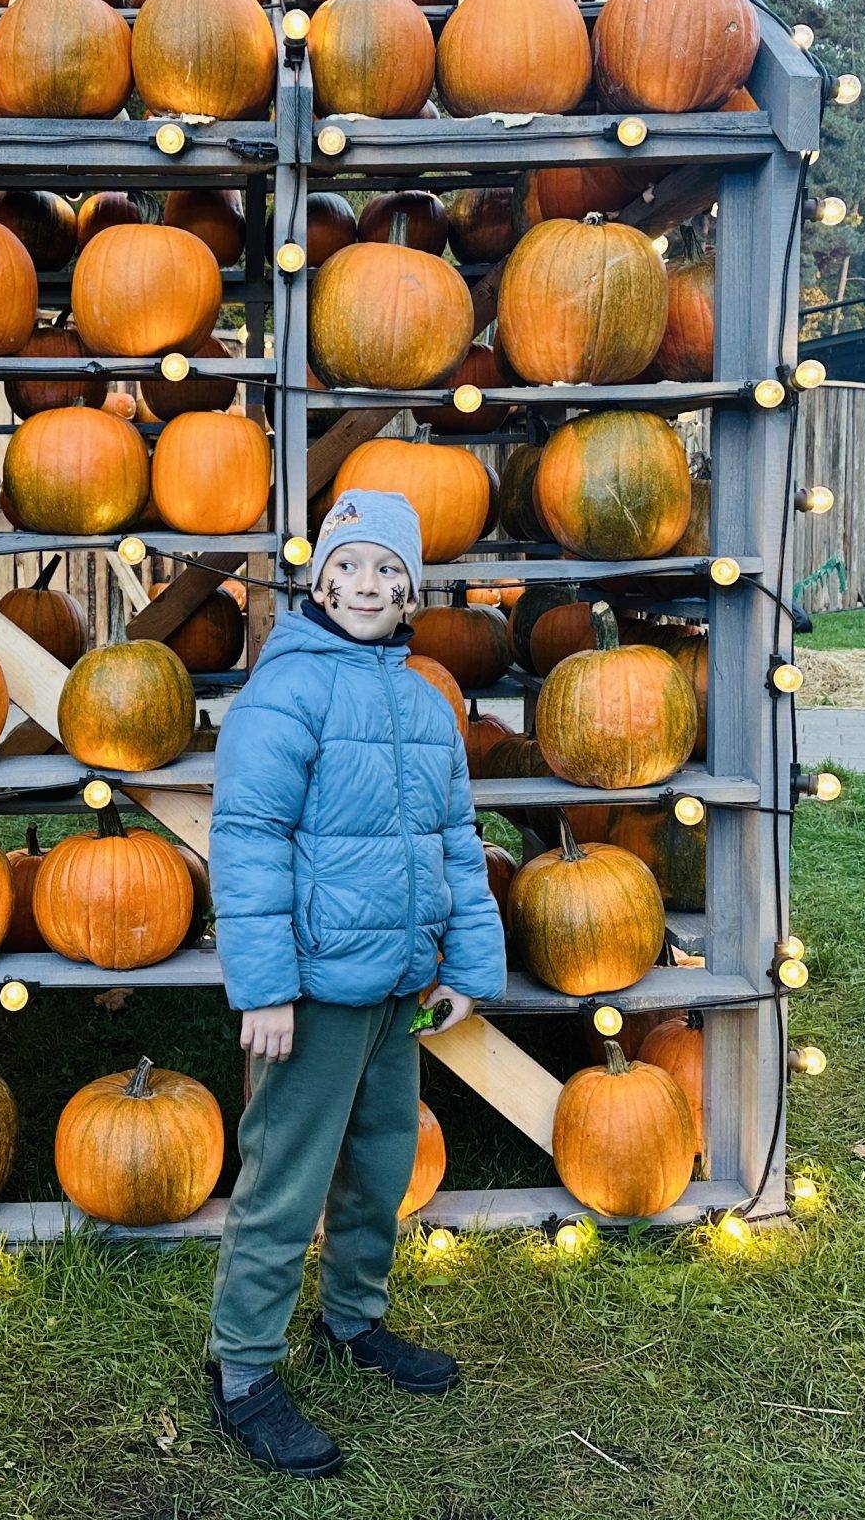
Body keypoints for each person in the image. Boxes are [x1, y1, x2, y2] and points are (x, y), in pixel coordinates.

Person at [200, 487, 507, 1478]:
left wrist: (468, 963)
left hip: (397, 986)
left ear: (410, 589)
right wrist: (266, 990)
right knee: (284, 1182)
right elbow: (247, 843)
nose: (367, 584)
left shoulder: (423, 701)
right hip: (316, 990)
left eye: (387, 570)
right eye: (349, 567)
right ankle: (242, 1369)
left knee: (379, 1164)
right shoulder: (284, 694)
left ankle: (353, 1319)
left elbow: (454, 844)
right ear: (319, 579)